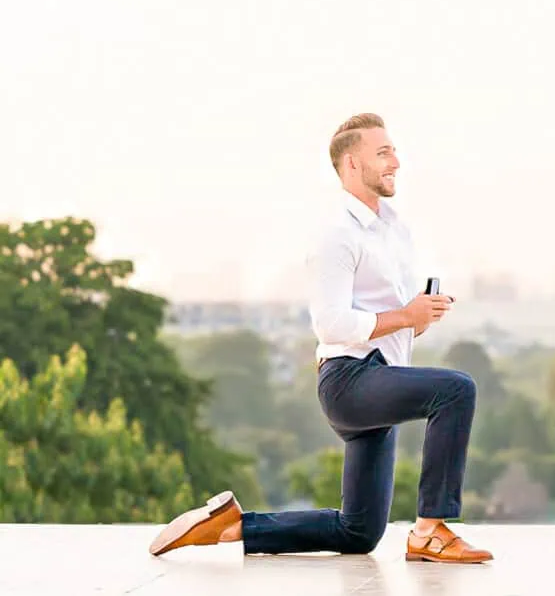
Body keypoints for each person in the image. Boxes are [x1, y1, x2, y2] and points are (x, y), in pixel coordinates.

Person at [148, 113, 493, 564]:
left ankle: (232, 525)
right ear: (352, 164)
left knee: (358, 532)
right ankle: (431, 530)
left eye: (395, 151)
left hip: (380, 379)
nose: (396, 162)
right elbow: (331, 323)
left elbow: (390, 317)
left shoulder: (395, 230)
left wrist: (417, 317)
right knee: (456, 390)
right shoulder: (336, 234)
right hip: (350, 381)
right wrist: (403, 315)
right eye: (383, 153)